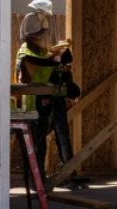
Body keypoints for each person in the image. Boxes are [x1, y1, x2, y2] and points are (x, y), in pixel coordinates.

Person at [15, 22, 75, 178]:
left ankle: (66, 174)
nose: (41, 37)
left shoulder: (39, 51)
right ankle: (38, 179)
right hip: (35, 102)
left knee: (61, 137)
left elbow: (47, 63)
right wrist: (56, 60)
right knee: (38, 143)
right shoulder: (27, 51)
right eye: (39, 34)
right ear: (32, 35)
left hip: (49, 99)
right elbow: (37, 65)